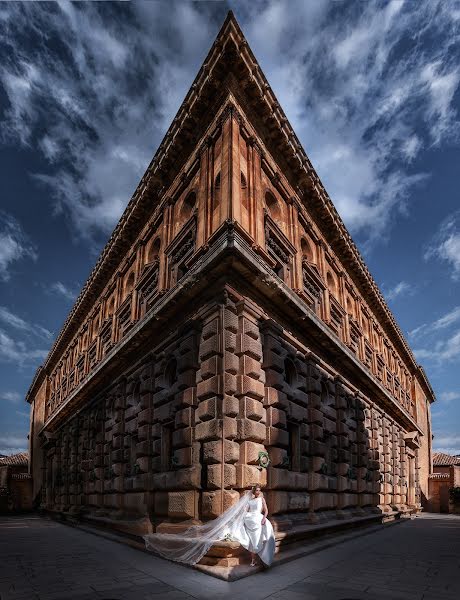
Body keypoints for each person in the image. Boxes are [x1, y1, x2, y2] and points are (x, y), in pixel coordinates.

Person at [142, 485, 275, 568]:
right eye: (256, 490)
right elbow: (245, 510)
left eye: (259, 490)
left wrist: (264, 518)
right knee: (252, 540)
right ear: (253, 491)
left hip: (259, 520)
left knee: (261, 537)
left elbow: (266, 510)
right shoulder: (250, 500)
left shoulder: (261, 499)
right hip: (249, 519)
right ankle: (253, 561)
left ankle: (262, 559)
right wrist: (240, 516)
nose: (258, 492)